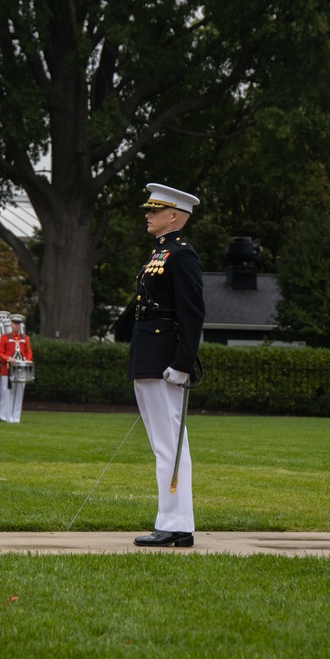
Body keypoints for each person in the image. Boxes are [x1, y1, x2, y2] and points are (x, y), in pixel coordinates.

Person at [129, 183, 204, 548]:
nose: (148, 215)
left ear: (173, 216)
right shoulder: (159, 253)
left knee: (170, 445)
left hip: (165, 361)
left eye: (154, 210)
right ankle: (172, 520)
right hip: (149, 355)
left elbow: (192, 313)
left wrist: (183, 362)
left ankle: (176, 523)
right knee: (163, 445)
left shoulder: (181, 254)